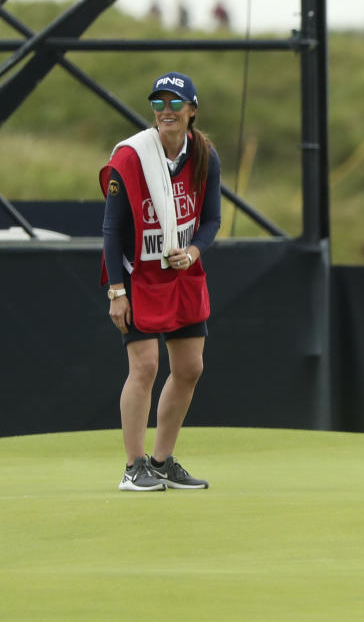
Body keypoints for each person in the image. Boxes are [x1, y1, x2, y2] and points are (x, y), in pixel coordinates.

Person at [100, 71, 222, 492]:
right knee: (146, 366)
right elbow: (112, 229)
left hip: (183, 273)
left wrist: (193, 251)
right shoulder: (130, 158)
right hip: (138, 276)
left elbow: (211, 219)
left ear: (192, 110)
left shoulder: (204, 154)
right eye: (158, 103)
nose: (166, 111)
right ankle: (134, 467)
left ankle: (162, 460)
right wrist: (116, 290)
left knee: (189, 367)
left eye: (174, 103)